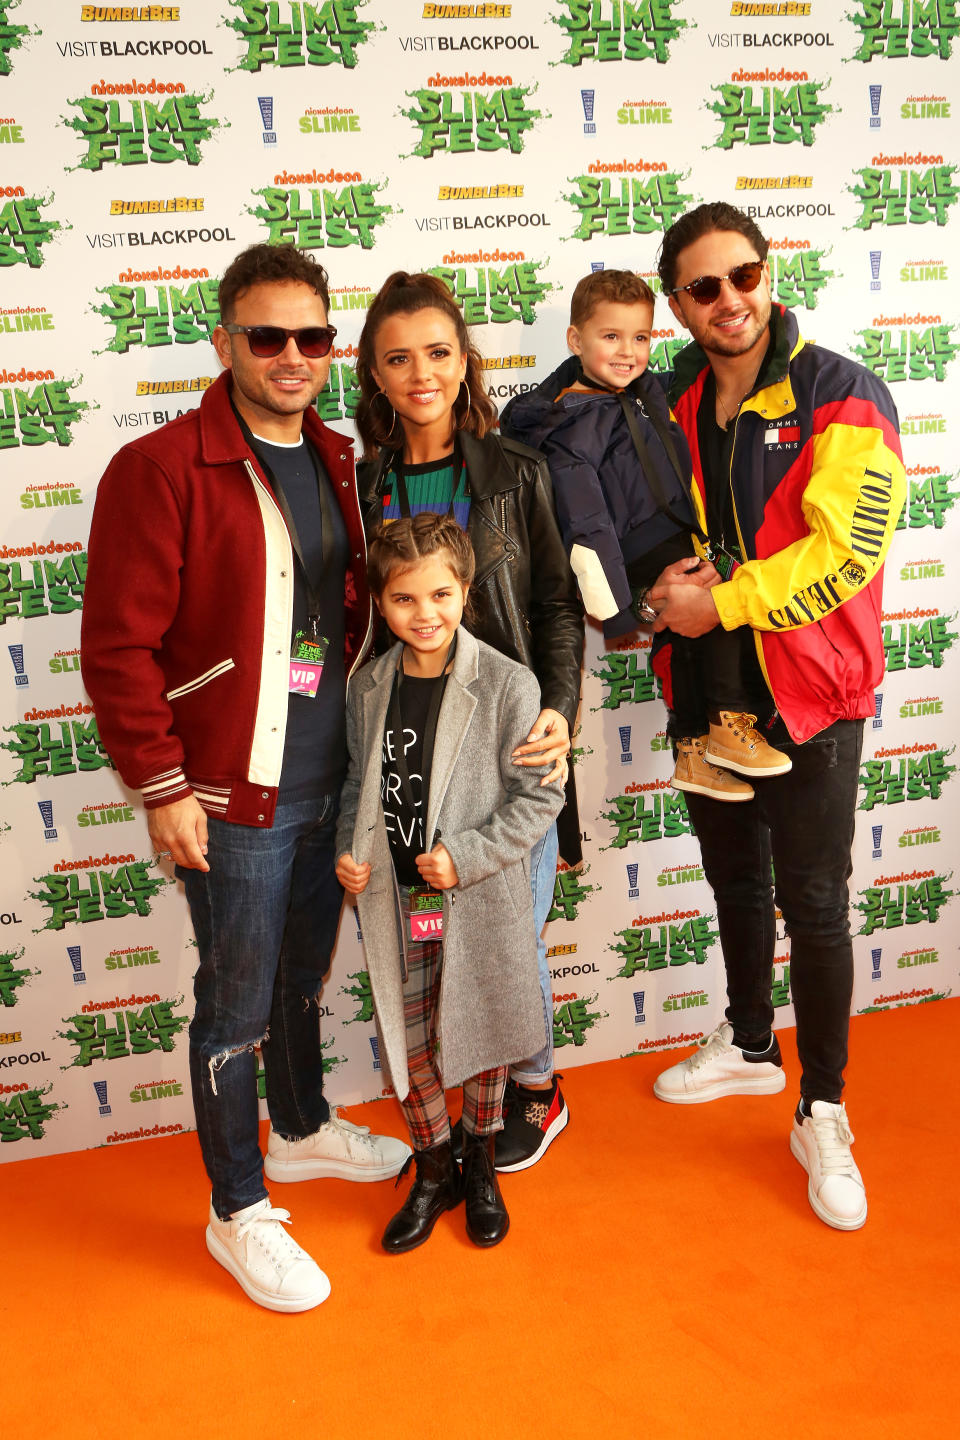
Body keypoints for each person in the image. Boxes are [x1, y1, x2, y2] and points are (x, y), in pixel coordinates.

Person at [81, 242, 410, 1313]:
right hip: (229, 794)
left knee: (296, 977)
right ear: (224, 342)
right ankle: (235, 1207)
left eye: (312, 337)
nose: (291, 356)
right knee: (231, 1009)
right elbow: (119, 648)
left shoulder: (343, 459)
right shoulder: (162, 467)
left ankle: (304, 1128)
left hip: (331, 778)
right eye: (266, 337)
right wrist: (163, 786)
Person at [647, 202, 905, 1231]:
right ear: (678, 303)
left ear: (769, 271)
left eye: (742, 276)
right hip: (706, 689)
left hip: (811, 691)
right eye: (704, 287)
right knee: (732, 877)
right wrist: (653, 591)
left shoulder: (844, 392)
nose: (730, 301)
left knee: (817, 902)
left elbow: (850, 553)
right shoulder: (663, 396)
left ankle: (824, 1108)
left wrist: (725, 600)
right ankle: (750, 1044)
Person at [353, 271, 584, 1172]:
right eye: (398, 357)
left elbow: (557, 603)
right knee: (427, 946)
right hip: (411, 745)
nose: (422, 374)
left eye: (439, 353)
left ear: (466, 362)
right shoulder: (364, 483)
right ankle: (465, 1108)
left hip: (507, 742)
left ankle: (538, 1089)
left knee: (506, 939)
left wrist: (561, 708)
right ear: (374, 373)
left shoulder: (516, 473)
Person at [336, 514, 565, 1251]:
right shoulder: (368, 685)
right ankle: (435, 1165)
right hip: (401, 898)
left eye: (440, 595)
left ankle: (481, 1166)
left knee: (483, 1024)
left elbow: (539, 799)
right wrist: (350, 847)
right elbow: (355, 785)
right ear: (380, 602)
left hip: (467, 893)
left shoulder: (507, 684)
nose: (424, 614)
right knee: (415, 1036)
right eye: (404, 600)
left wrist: (464, 855)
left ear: (465, 593)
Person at [501, 267, 792, 801]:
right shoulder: (569, 424)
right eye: (611, 337)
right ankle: (727, 724)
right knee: (716, 605)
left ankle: (692, 749)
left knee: (689, 635)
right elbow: (585, 525)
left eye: (640, 337)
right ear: (575, 339)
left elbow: (697, 360)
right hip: (635, 548)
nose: (627, 352)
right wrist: (620, 610)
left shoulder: (643, 390)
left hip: (677, 531)